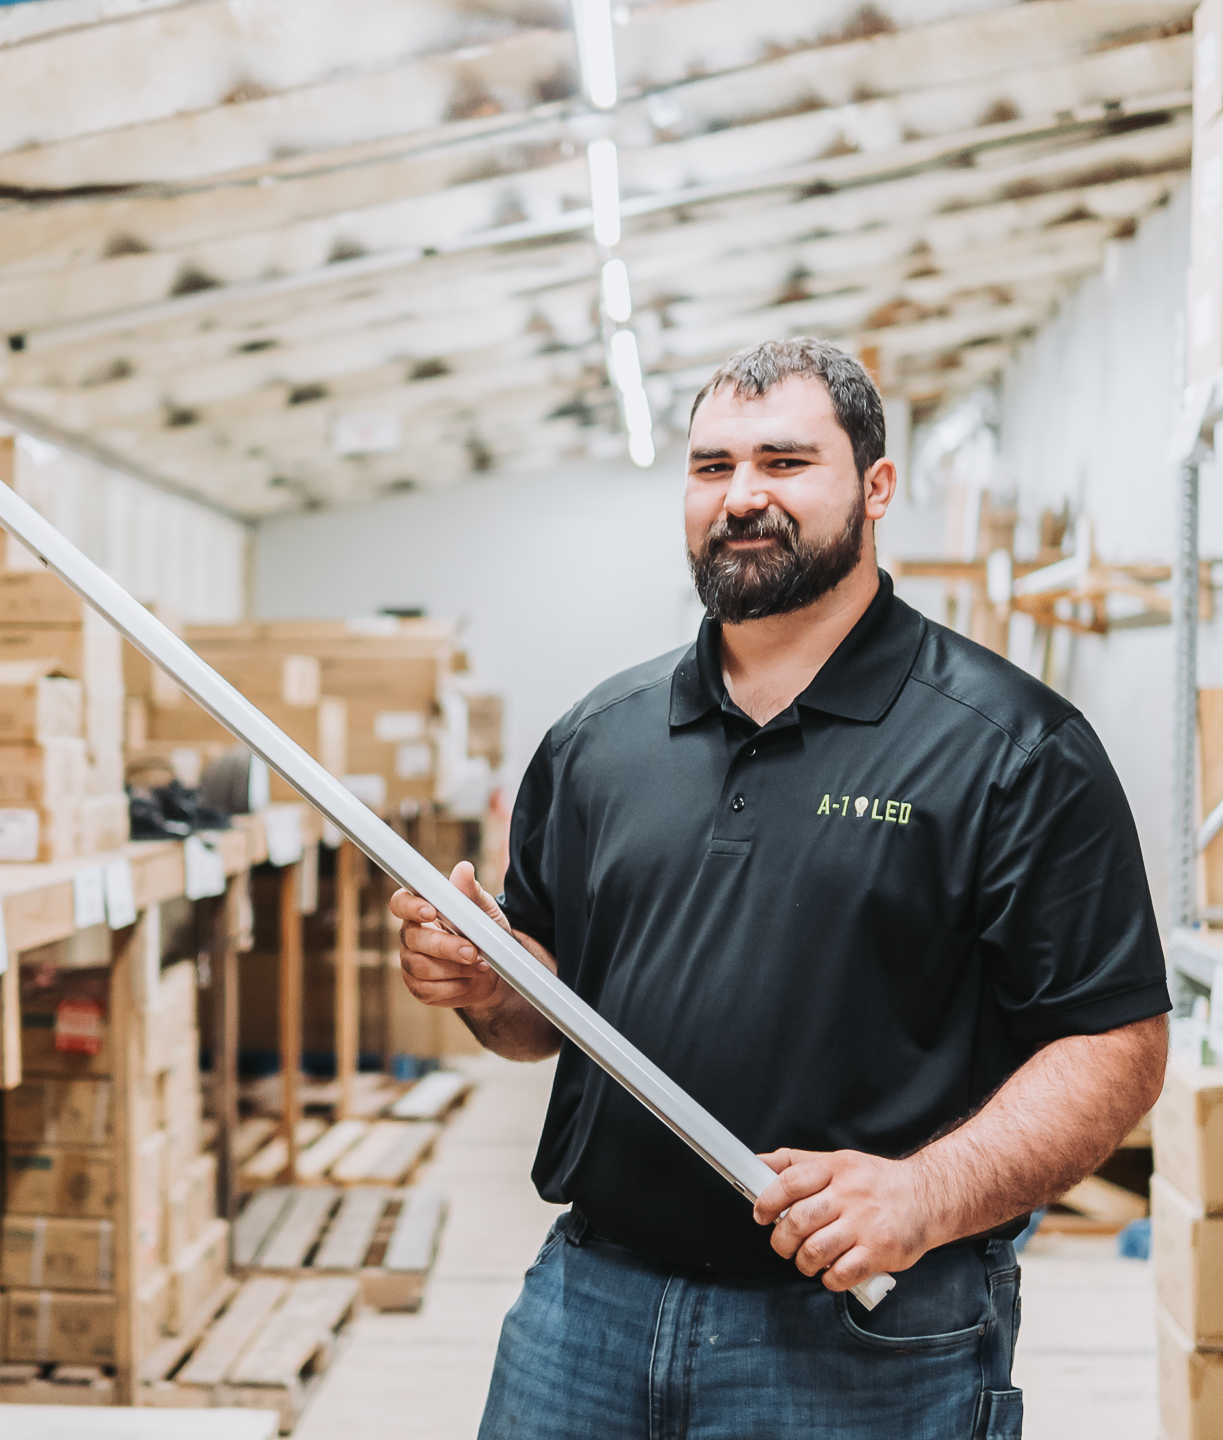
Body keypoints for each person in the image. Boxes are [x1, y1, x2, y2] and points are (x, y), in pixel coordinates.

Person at [392, 338, 1169, 1439]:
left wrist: (921, 1195)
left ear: (877, 487)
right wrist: (482, 981)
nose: (743, 497)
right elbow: (540, 1020)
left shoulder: (1012, 748)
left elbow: (1116, 1048)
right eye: (712, 468)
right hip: (588, 1313)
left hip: (864, 1337)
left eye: (785, 462)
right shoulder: (597, 743)